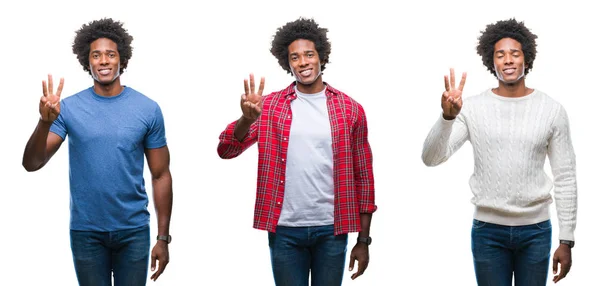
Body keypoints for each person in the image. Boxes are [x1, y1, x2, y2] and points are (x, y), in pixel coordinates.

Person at [217, 17, 377, 285]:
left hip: (332, 229)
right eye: (295, 57)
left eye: (309, 54)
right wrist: (246, 119)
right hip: (285, 231)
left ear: (321, 56)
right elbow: (226, 149)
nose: (303, 62)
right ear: (287, 63)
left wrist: (363, 240)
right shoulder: (268, 107)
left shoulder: (351, 110)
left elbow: (364, 178)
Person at [421, 18, 577, 285]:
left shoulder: (552, 110)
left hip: (536, 231)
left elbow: (565, 176)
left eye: (514, 53)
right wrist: (446, 119)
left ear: (526, 58)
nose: (508, 60)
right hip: (487, 232)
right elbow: (431, 158)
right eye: (500, 54)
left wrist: (567, 238)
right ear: (490, 62)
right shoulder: (471, 108)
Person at [22, 18, 173, 286]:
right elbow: (32, 163)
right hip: (86, 233)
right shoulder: (68, 108)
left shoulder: (148, 109)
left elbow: (160, 174)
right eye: (96, 55)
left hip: (133, 231)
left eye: (110, 54)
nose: (103, 60)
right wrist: (44, 123)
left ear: (121, 60)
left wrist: (162, 238)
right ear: (87, 61)